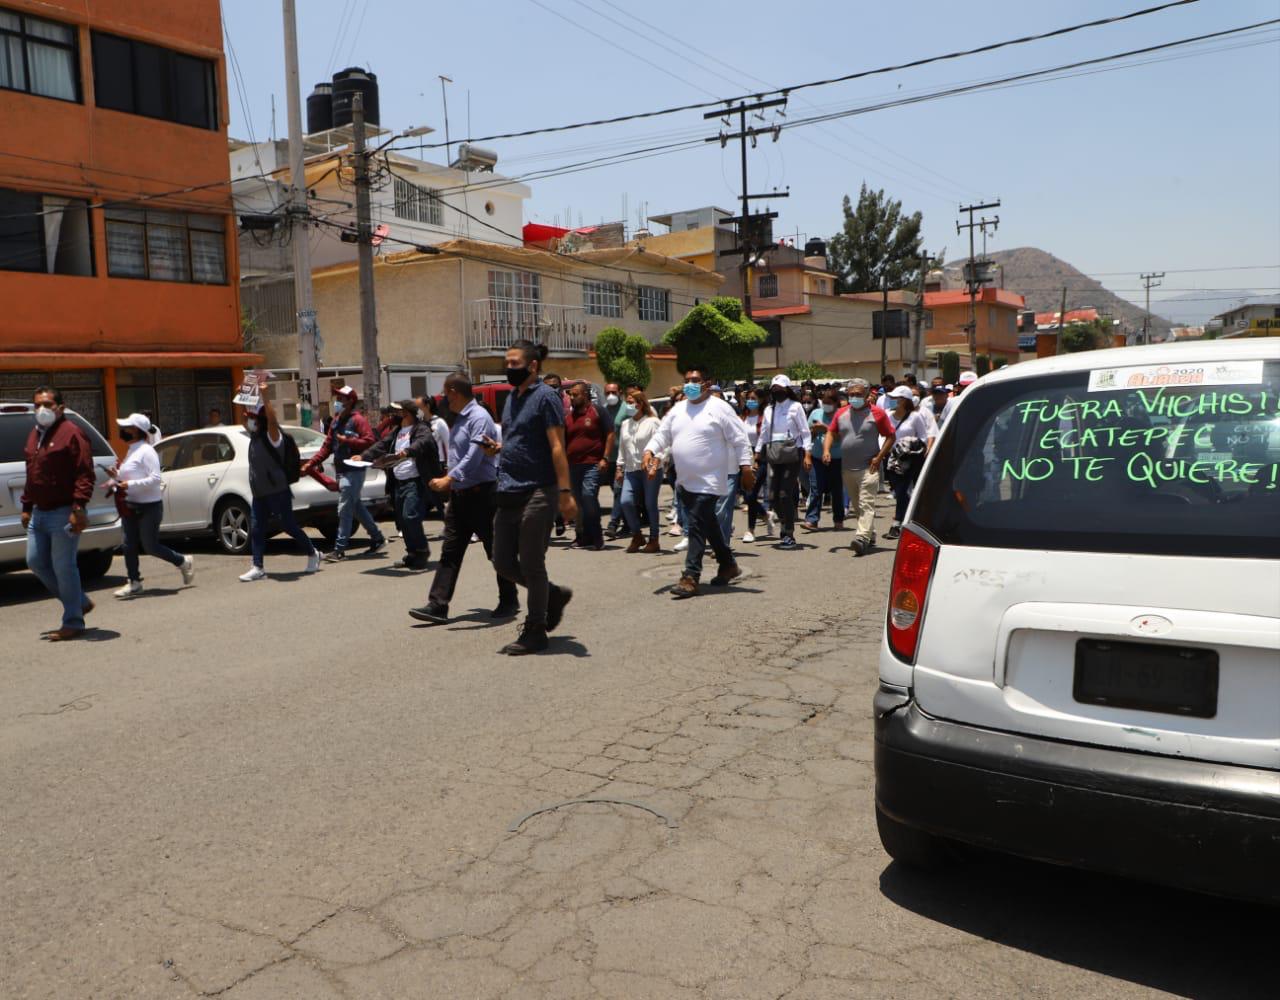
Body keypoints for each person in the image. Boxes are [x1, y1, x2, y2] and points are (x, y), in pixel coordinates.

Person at [488, 341, 577, 655]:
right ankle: (552, 595)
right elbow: (519, 439)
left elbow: (556, 446)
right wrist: (497, 449)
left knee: (531, 562)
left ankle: (536, 628)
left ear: (533, 365)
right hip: (509, 488)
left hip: (539, 490)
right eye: (507, 363)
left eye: (514, 363)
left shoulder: (546, 397)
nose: (509, 368)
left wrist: (565, 493)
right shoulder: (512, 398)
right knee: (501, 561)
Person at [409, 373, 519, 625]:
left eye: (446, 394)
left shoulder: (479, 417)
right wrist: (451, 479)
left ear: (453, 391)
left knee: (496, 551)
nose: (444, 399)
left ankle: (509, 598)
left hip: (483, 495)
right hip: (461, 497)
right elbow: (459, 455)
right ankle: (438, 605)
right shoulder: (460, 418)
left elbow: (475, 455)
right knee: (450, 551)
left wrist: (449, 478)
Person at [644, 366, 753, 599]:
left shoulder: (719, 407)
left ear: (707, 383)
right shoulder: (678, 409)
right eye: (687, 380)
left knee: (695, 524)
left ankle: (691, 576)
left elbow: (740, 438)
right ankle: (728, 564)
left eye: (695, 380)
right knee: (708, 524)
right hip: (685, 481)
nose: (690, 384)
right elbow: (663, 434)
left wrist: (746, 467)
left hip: (711, 480)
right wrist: (650, 450)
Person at [21, 386, 97, 641]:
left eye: (47, 404)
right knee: (35, 562)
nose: (41, 410)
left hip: (63, 512)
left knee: (64, 567)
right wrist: (26, 506)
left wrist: (78, 508)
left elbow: (85, 473)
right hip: (39, 513)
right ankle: (80, 601)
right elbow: (31, 473)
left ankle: (73, 621)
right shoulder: (35, 434)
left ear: (60, 407)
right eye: (37, 405)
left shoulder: (72, 433)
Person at [239, 385, 321, 581]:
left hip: (277, 490)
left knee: (288, 525)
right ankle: (257, 566)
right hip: (259, 493)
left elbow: (273, 419)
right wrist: (244, 396)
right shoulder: (255, 436)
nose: (248, 421)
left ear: (261, 420)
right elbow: (242, 418)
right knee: (257, 529)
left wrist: (265, 395)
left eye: (253, 418)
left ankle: (312, 553)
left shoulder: (273, 435)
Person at [109, 413, 195, 597]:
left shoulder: (147, 451)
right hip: (130, 504)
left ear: (136, 431)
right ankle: (134, 582)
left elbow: (155, 479)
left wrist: (129, 484)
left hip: (149, 506)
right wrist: (116, 475)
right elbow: (130, 475)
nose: (122, 431)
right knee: (128, 545)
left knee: (150, 546)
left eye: (126, 428)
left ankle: (182, 561)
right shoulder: (132, 450)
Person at [302, 385, 386, 561]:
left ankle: (339, 550)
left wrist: (348, 441)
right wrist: (311, 462)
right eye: (337, 398)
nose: (337, 402)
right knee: (356, 507)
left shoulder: (358, 420)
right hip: (342, 472)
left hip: (354, 471)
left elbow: (370, 441)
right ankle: (378, 538)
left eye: (341, 399)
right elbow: (326, 447)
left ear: (350, 401)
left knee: (344, 508)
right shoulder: (336, 421)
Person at [358, 401, 439, 570]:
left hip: (415, 481)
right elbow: (381, 446)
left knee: (411, 516)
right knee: (402, 520)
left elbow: (424, 442)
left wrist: (408, 451)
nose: (392, 415)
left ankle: (421, 552)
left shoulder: (420, 428)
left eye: (397, 412)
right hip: (398, 482)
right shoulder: (397, 432)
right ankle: (412, 554)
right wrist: (363, 456)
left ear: (406, 413)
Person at [826, 379, 895, 556]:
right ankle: (870, 534)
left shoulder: (877, 413)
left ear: (866, 395)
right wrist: (827, 450)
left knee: (866, 503)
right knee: (857, 506)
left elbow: (890, 436)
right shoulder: (841, 413)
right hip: (848, 468)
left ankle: (862, 538)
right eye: (851, 394)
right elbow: (831, 432)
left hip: (869, 467)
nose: (854, 397)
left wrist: (879, 458)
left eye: (858, 394)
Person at [756, 374, 811, 550]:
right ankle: (784, 523)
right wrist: (757, 453)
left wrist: (808, 454)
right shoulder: (768, 409)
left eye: (780, 387)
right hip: (773, 454)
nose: (776, 390)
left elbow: (805, 431)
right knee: (772, 495)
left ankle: (788, 533)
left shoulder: (795, 407)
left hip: (791, 453)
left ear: (787, 389)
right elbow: (764, 433)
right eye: (774, 388)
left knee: (784, 493)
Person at [564, 381, 615, 550]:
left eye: (575, 394)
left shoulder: (598, 411)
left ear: (585, 394)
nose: (572, 397)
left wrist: (605, 457)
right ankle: (583, 537)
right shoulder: (568, 418)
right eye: (570, 394)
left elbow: (609, 434)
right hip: (573, 466)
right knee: (578, 503)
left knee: (588, 497)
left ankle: (597, 535)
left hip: (593, 464)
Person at [882, 384, 937, 540]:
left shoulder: (915, 416)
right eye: (891, 398)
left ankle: (897, 523)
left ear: (904, 401)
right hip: (892, 459)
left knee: (902, 491)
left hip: (910, 459)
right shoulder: (887, 415)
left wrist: (912, 447)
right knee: (898, 491)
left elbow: (923, 437)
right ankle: (913, 516)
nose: (892, 401)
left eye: (896, 398)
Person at [615, 388, 662, 553]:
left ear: (640, 404)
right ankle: (637, 535)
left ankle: (654, 539)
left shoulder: (653, 422)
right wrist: (619, 467)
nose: (627, 406)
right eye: (626, 403)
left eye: (630, 403)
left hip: (650, 469)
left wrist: (655, 464)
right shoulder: (625, 424)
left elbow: (663, 445)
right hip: (631, 469)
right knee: (625, 502)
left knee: (650, 504)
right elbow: (622, 447)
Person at [803, 389, 845, 531]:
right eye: (824, 402)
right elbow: (807, 436)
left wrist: (825, 428)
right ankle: (812, 519)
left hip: (837, 458)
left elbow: (841, 436)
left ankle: (838, 519)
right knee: (816, 488)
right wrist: (807, 455)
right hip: (816, 457)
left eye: (829, 403)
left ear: (835, 403)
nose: (826, 405)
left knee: (836, 489)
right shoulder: (815, 414)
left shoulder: (842, 416)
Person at [738, 388, 770, 543]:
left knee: (751, 493)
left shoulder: (764, 417)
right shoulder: (742, 417)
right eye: (748, 398)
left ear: (761, 400)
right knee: (745, 494)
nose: (750, 401)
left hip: (760, 456)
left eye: (753, 398)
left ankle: (750, 530)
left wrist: (757, 458)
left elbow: (765, 439)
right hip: (743, 456)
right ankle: (765, 514)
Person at [601, 382, 626, 539]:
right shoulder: (603, 409)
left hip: (623, 459)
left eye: (614, 392)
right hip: (608, 458)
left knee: (618, 491)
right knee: (617, 491)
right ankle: (630, 524)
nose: (611, 395)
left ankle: (613, 524)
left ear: (620, 392)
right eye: (608, 392)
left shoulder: (627, 409)